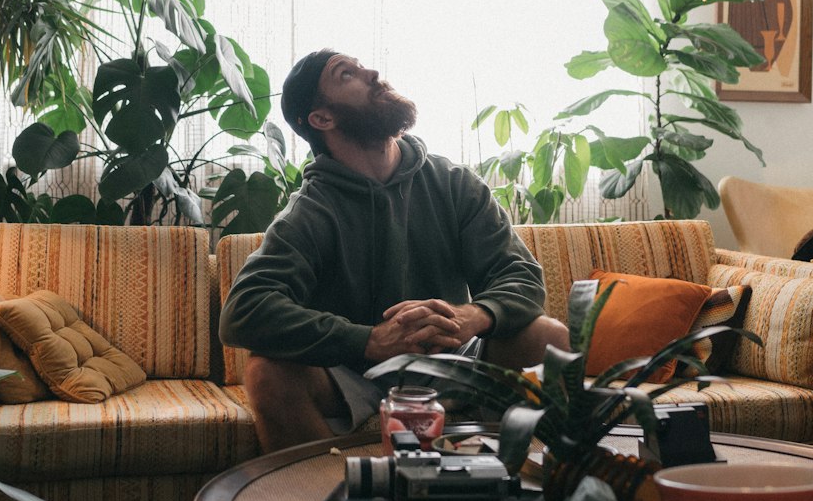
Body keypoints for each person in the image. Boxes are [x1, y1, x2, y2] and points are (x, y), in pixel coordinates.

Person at [219, 49, 570, 453]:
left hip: (455, 356)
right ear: (322, 118)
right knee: (267, 375)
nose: (372, 72)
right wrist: (368, 340)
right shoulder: (309, 213)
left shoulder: (454, 184)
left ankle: (516, 485)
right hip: (354, 373)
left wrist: (472, 316)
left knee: (549, 336)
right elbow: (244, 310)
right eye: (347, 74)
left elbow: (522, 276)